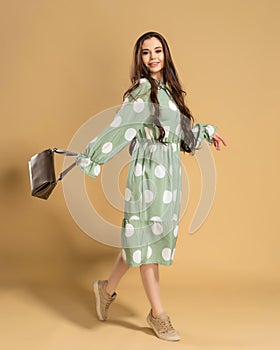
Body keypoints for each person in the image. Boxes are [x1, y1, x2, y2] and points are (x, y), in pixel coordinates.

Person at [76, 31, 226, 341]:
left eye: (158, 50)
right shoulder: (142, 93)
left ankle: (105, 289)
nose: (153, 56)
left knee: (142, 238)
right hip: (147, 176)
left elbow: (182, 133)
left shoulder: (168, 92)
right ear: (139, 59)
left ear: (166, 55)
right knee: (148, 241)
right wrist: (90, 157)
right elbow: (118, 130)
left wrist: (205, 133)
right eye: (146, 52)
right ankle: (158, 314)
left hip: (168, 176)